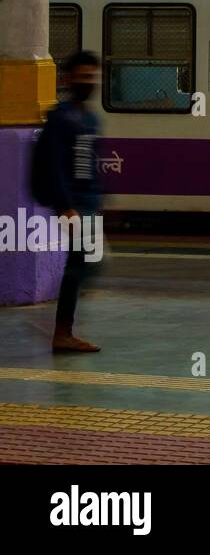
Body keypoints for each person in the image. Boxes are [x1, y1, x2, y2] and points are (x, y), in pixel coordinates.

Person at [31, 50, 105, 352]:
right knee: (79, 264)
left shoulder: (89, 118)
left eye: (92, 76)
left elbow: (91, 162)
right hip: (73, 204)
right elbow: (55, 164)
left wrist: (100, 198)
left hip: (87, 201)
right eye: (83, 76)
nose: (88, 82)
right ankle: (62, 332)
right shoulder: (61, 118)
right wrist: (65, 206)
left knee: (89, 263)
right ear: (69, 79)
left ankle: (64, 330)